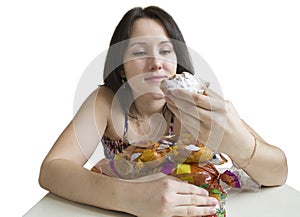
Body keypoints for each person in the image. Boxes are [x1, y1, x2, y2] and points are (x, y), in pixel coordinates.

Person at [39, 6, 288, 217]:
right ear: (122, 67)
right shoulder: (105, 101)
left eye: (165, 51)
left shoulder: (196, 101)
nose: (156, 62)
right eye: (139, 52)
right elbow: (52, 169)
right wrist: (129, 197)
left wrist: (241, 146)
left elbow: (278, 172)